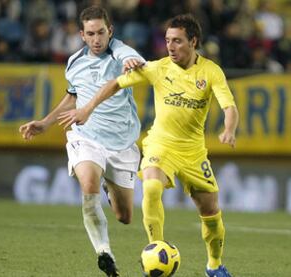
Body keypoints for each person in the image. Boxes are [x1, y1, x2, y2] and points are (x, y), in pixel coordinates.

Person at [59, 14, 238, 277]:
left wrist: (229, 129)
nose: (170, 46)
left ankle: (214, 264)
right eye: (167, 41)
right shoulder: (158, 68)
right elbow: (115, 84)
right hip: (159, 144)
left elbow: (229, 107)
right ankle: (155, 251)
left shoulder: (211, 72)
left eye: (177, 41)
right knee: (152, 187)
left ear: (194, 41)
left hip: (192, 151)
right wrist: (87, 108)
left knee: (210, 212)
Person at [19, 6, 144, 277]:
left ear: (110, 31)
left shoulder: (121, 52)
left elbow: (133, 61)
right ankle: (104, 252)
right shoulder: (74, 61)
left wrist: (133, 62)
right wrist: (46, 122)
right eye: (91, 34)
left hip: (122, 143)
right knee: (88, 185)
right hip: (87, 137)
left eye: (101, 32)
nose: (97, 39)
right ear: (82, 35)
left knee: (124, 217)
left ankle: (111, 191)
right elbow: (73, 96)